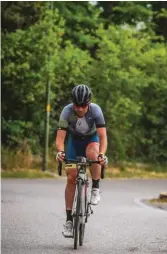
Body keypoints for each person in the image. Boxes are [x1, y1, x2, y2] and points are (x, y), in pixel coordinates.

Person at [55, 84, 108, 237]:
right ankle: (69, 220)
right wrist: (60, 152)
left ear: (89, 103)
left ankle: (95, 188)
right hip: (74, 142)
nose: (79, 109)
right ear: (73, 103)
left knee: (94, 154)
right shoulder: (67, 112)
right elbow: (60, 138)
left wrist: (102, 154)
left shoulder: (96, 111)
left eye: (83, 105)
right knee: (71, 176)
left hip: (91, 140)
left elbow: (103, 136)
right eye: (77, 105)